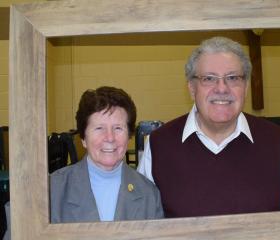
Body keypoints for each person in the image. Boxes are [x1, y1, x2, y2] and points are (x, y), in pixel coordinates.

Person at [137, 36, 280, 218]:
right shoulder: (159, 145)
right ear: (192, 88)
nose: (222, 88)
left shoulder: (277, 141)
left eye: (232, 78)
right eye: (209, 78)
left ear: (245, 86)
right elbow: (142, 219)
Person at [3, 87, 163, 239]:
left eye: (118, 128)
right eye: (99, 128)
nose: (110, 137)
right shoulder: (49, 191)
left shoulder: (149, 194)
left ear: (129, 136)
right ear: (83, 138)